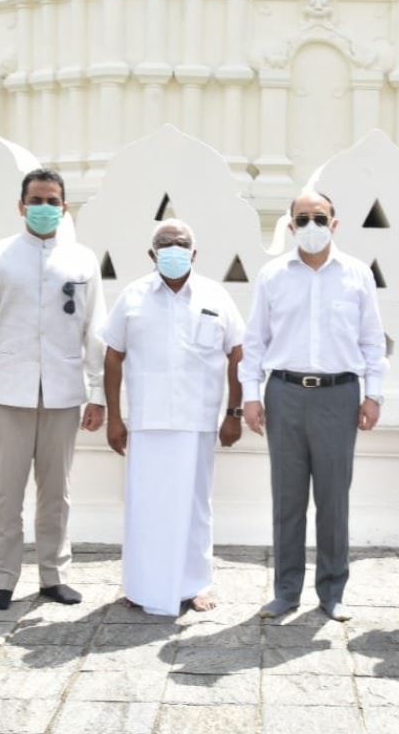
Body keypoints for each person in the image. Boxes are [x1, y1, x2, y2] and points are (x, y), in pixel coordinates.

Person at [0, 168, 107, 611]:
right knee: (6, 491)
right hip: (7, 392)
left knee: (56, 491)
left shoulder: (82, 260)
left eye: (53, 200)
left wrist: (97, 392)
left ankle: (54, 575)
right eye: (36, 200)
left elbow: (93, 329)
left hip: (63, 391)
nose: (45, 208)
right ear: (21, 205)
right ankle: (2, 578)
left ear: (65, 206)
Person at [241, 191, 387, 622]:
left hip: (339, 395)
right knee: (287, 498)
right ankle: (286, 591)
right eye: (301, 219)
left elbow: (372, 341)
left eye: (319, 218)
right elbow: (255, 340)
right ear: (289, 226)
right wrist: (250, 395)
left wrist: (373, 394)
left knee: (333, 498)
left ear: (335, 223)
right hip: (284, 393)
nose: (310, 226)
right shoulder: (273, 275)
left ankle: (332, 590)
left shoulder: (357, 274)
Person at [101, 219, 245, 616]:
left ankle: (195, 585)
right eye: (165, 244)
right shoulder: (132, 297)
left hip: (198, 421)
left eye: (181, 244)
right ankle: (139, 586)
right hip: (146, 422)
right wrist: (115, 417)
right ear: (151, 254)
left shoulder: (216, 296)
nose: (173, 249)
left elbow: (238, 353)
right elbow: (113, 355)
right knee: (145, 508)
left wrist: (233, 413)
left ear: (194, 253)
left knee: (195, 506)